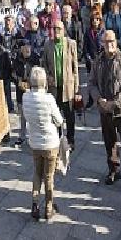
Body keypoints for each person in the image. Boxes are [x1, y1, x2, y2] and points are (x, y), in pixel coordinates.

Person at [88, 30, 121, 199]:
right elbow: (92, 83)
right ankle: (114, 170)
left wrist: (114, 103)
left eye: (112, 41)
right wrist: (98, 99)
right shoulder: (98, 61)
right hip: (104, 109)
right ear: (102, 43)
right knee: (109, 142)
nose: (109, 44)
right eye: (106, 41)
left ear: (116, 42)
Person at [22, 67, 63, 221]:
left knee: (37, 173)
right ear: (44, 82)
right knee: (49, 176)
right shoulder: (49, 99)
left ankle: (34, 204)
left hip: (34, 142)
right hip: (50, 143)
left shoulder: (26, 97)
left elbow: (25, 116)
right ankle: (48, 206)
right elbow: (58, 121)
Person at [41, 20, 80, 149]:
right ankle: (57, 138)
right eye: (54, 28)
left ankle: (71, 139)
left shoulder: (70, 44)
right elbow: (44, 64)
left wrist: (76, 89)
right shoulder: (48, 45)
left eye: (59, 28)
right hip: (54, 87)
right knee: (55, 115)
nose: (56, 31)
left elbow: (75, 68)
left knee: (69, 116)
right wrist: (48, 76)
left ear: (63, 30)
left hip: (67, 87)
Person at [12, 40, 39, 146]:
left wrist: (30, 82)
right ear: (21, 48)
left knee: (34, 115)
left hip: (33, 90)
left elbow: (39, 72)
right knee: (22, 115)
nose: (27, 49)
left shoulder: (35, 58)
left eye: (29, 46)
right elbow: (13, 73)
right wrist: (19, 82)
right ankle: (22, 136)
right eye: (25, 47)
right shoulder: (16, 59)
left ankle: (35, 137)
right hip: (21, 91)